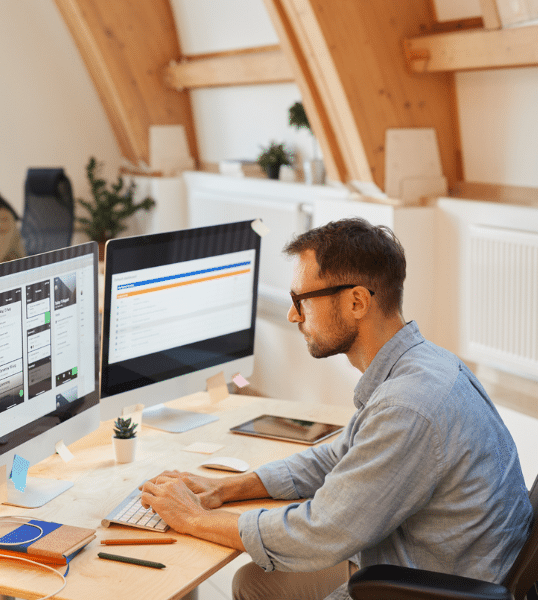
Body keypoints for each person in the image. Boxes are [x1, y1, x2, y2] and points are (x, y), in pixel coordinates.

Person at [140, 218, 533, 600]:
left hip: (434, 585)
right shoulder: (423, 363)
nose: (293, 315)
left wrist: (193, 518)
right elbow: (339, 456)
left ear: (357, 301)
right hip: (434, 561)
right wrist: (228, 487)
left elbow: (320, 531)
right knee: (254, 582)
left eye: (301, 301)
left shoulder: (408, 405)